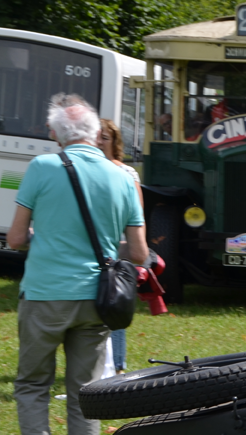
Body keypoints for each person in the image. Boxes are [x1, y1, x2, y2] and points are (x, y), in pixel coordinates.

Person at [6, 94, 147, 435]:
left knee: (33, 385)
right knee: (86, 391)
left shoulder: (42, 167)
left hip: (45, 295)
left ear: (55, 134)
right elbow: (138, 253)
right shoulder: (122, 176)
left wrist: (44, 238)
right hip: (97, 299)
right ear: (97, 133)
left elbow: (15, 238)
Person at [98, 118, 144, 374]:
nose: (100, 142)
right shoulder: (83, 171)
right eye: (97, 137)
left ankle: (117, 366)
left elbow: (137, 216)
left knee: (113, 304)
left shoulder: (127, 173)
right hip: (91, 248)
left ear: (115, 142)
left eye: (106, 137)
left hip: (117, 248)